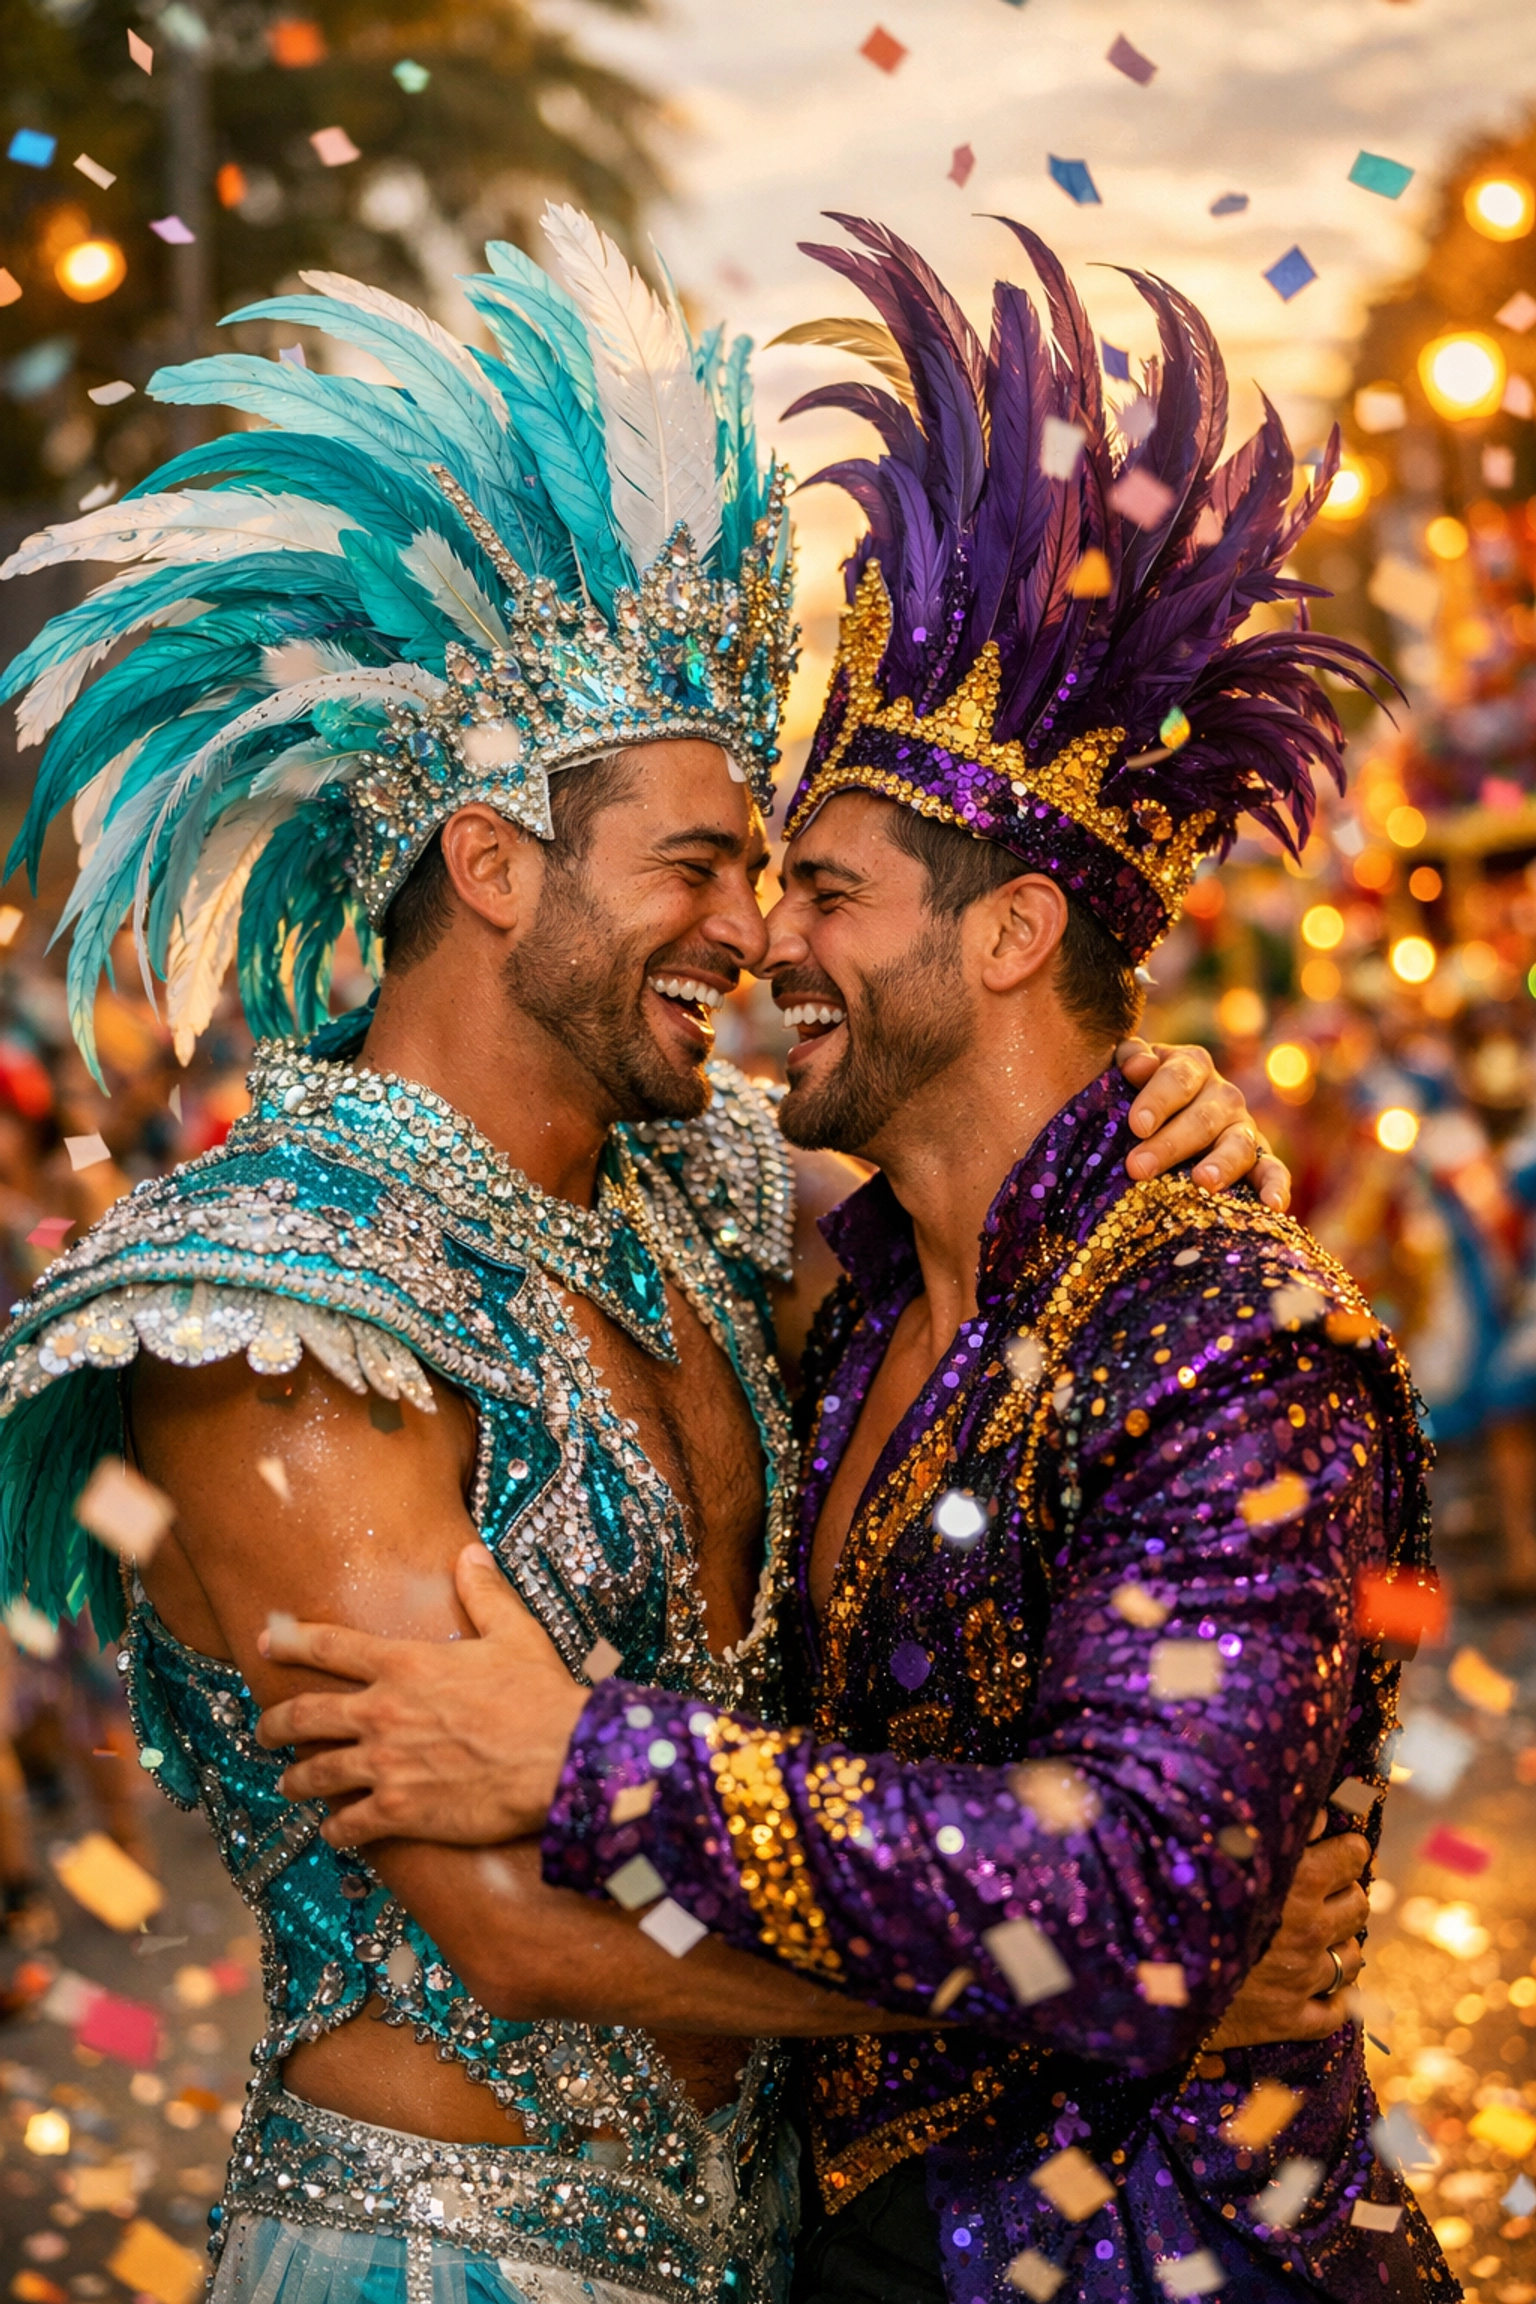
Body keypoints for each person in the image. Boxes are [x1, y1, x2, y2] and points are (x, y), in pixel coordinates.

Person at [0, 212, 1282, 2304]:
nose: (746, 933)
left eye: (767, 876)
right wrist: (1106, 1991)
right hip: (440, 2263)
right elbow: (505, 1924)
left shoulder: (700, 1202)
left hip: (775, 2252)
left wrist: (1166, 1114)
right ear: (490, 870)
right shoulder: (269, 1310)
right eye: (694, 865)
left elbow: (1008, 1230)